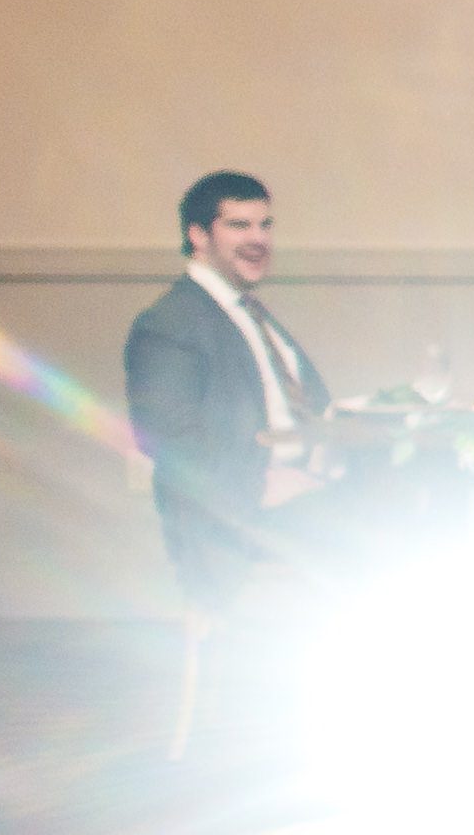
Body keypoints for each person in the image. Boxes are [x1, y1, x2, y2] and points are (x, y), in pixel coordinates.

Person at [124, 170, 334, 614]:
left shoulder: (253, 316)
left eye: (265, 225)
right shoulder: (170, 323)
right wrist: (259, 486)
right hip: (242, 518)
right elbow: (169, 439)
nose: (258, 239)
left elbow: (315, 408)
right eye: (239, 225)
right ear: (197, 236)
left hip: (309, 498)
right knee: (404, 540)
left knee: (428, 512)